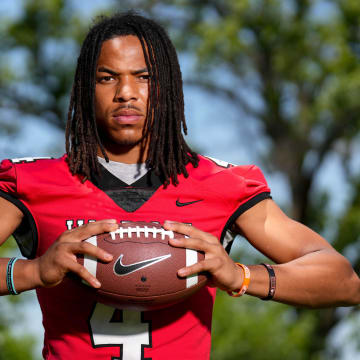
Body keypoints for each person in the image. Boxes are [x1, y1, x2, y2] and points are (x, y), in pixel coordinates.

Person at [0, 11, 359, 360]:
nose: (126, 92)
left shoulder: (222, 184)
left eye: (144, 77)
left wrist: (240, 276)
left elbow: (344, 281)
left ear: (168, 86)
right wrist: (33, 271)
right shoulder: (32, 183)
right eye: (107, 77)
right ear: (84, 88)